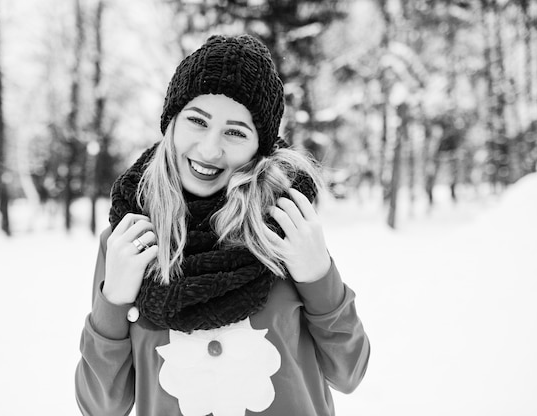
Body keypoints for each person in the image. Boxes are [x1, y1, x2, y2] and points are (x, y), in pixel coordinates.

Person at [75, 34, 370, 416]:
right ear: (172, 124)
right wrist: (113, 301)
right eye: (198, 121)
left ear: (259, 147)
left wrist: (318, 277)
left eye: (235, 132)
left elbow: (349, 372)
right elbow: (100, 406)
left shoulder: (284, 226)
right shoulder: (129, 239)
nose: (210, 149)